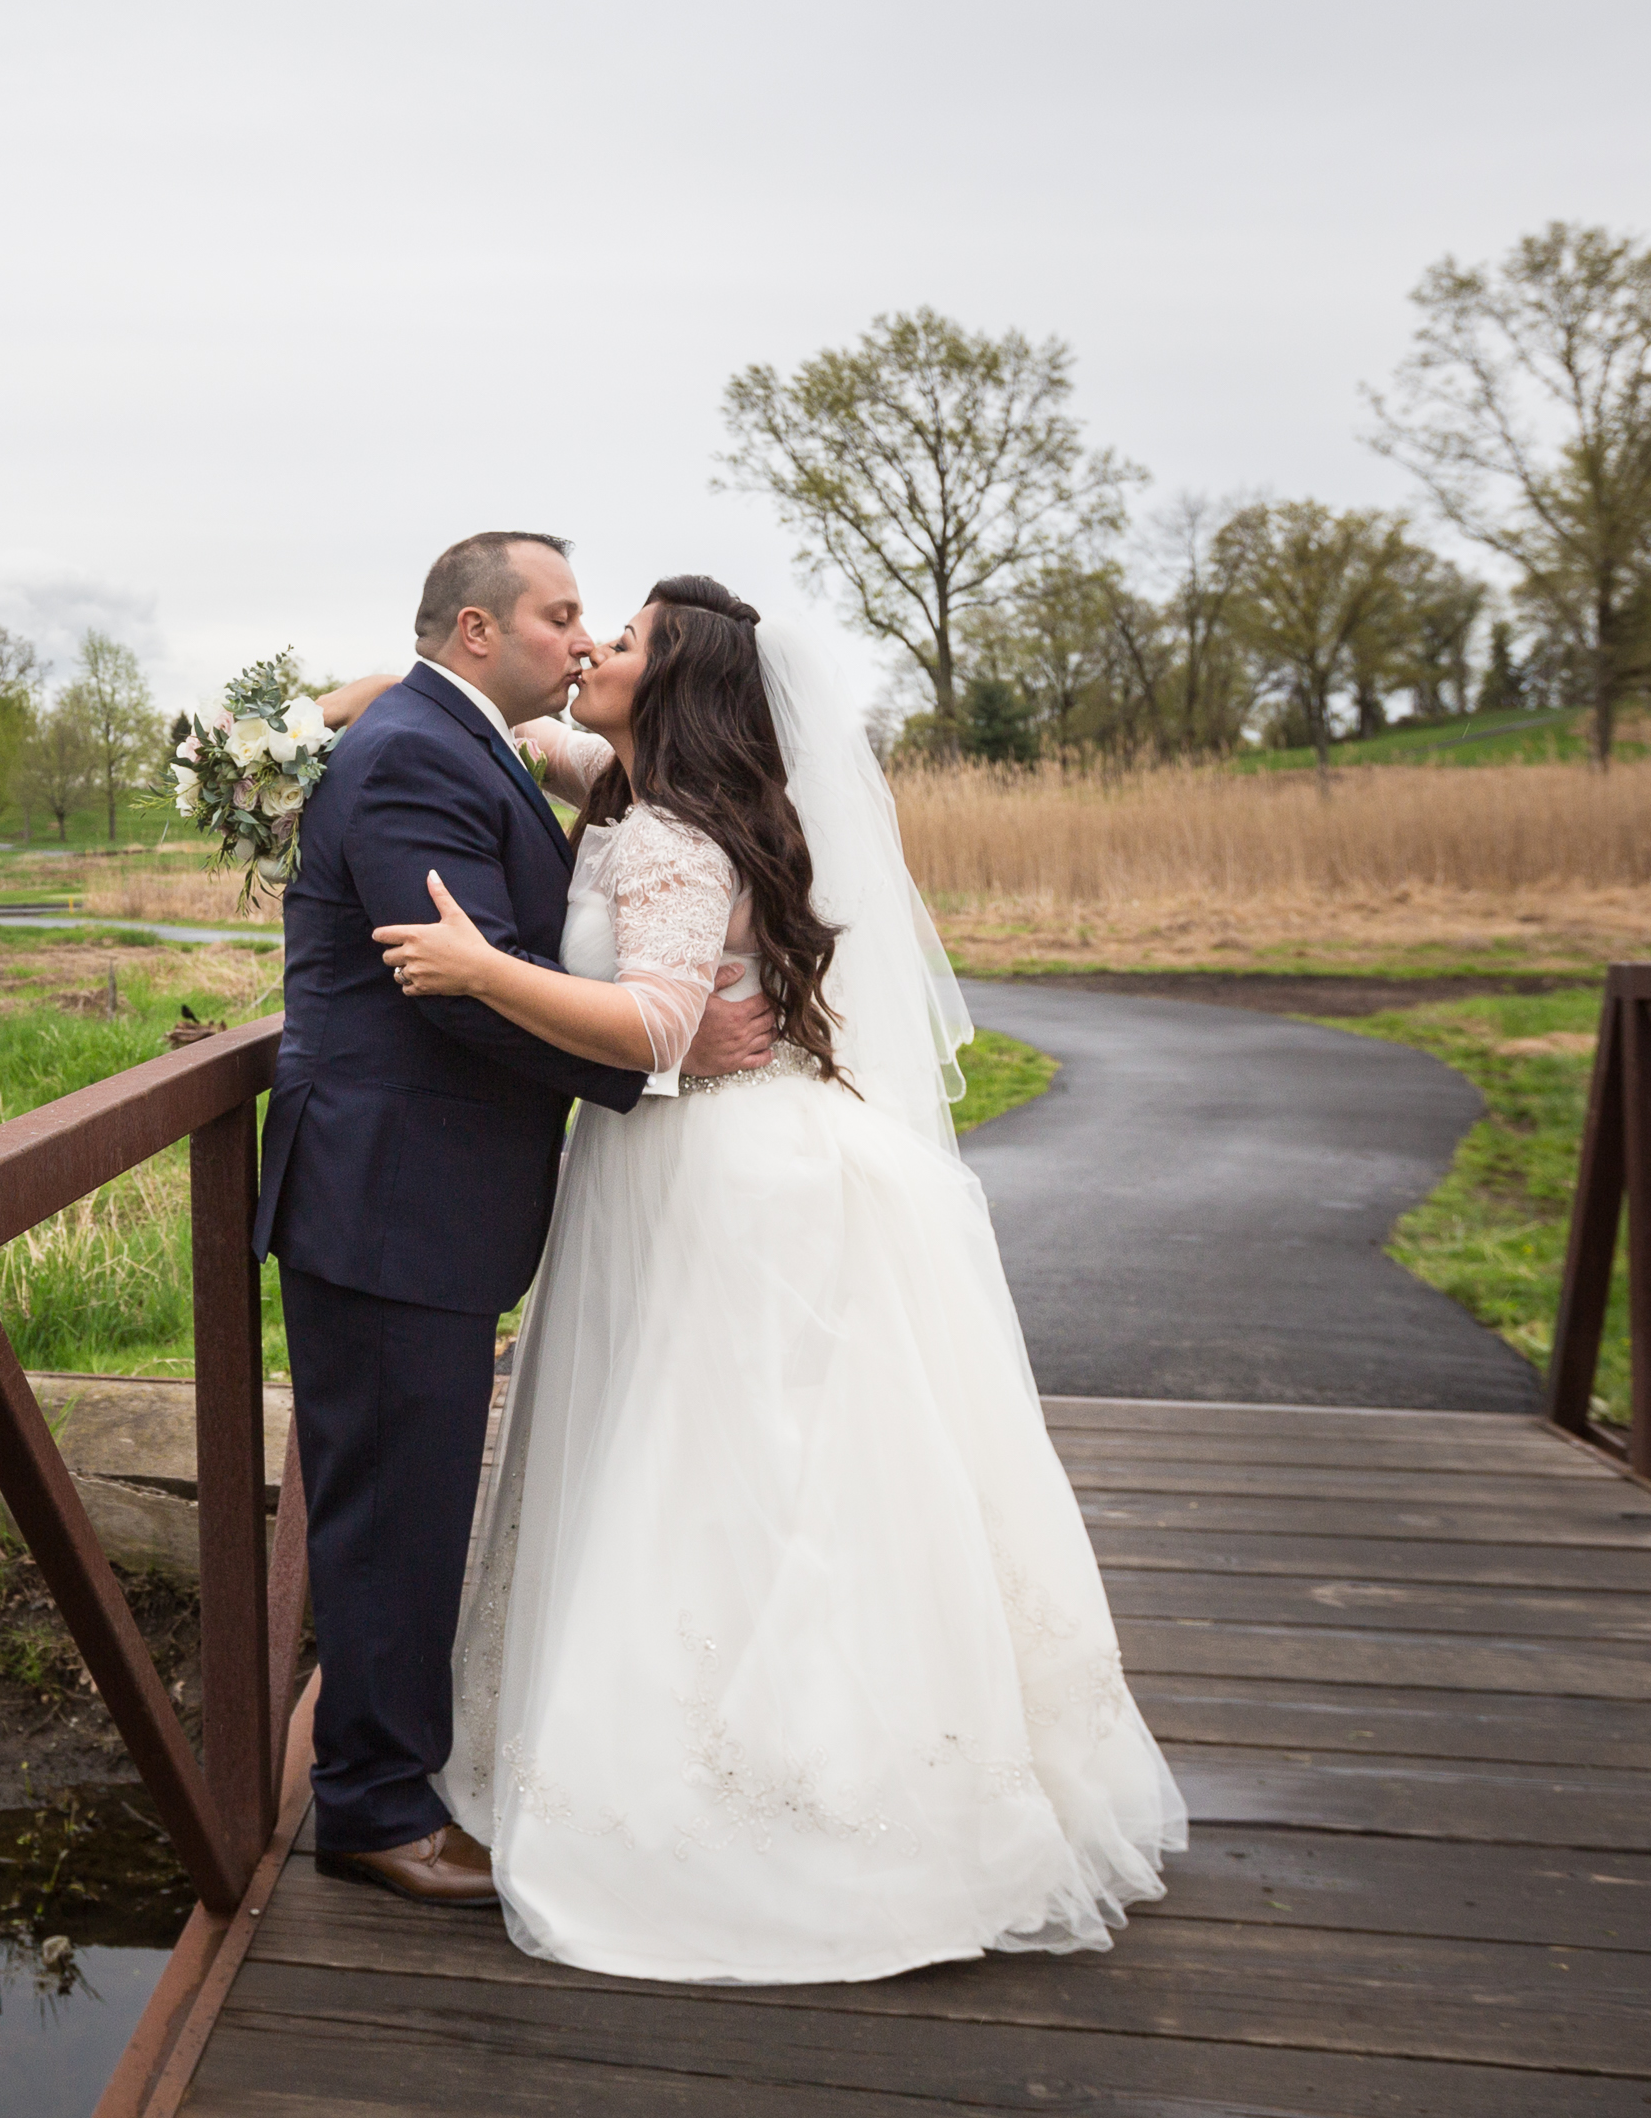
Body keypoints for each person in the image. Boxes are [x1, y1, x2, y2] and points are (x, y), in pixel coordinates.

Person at [366, 575, 1187, 1982]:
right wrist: (339, 702)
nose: (594, 649)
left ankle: (762, 1797)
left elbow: (658, 1029)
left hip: (714, 1184)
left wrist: (479, 970)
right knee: (742, 1468)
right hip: (705, 1165)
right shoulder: (633, 790)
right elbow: (524, 733)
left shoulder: (671, 838)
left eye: (625, 641)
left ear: (672, 687)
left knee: (717, 1473)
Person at [258, 532, 783, 1906]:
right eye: (561, 615)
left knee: (413, 1502)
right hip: (389, 1198)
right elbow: (457, 986)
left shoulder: (461, 735)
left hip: (414, 1197)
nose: (583, 637)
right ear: (481, 632)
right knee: (394, 1515)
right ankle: (375, 1812)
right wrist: (653, 1056)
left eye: (599, 623)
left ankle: (388, 1781)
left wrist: (335, 699)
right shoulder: (420, 757)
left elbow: (490, 956)